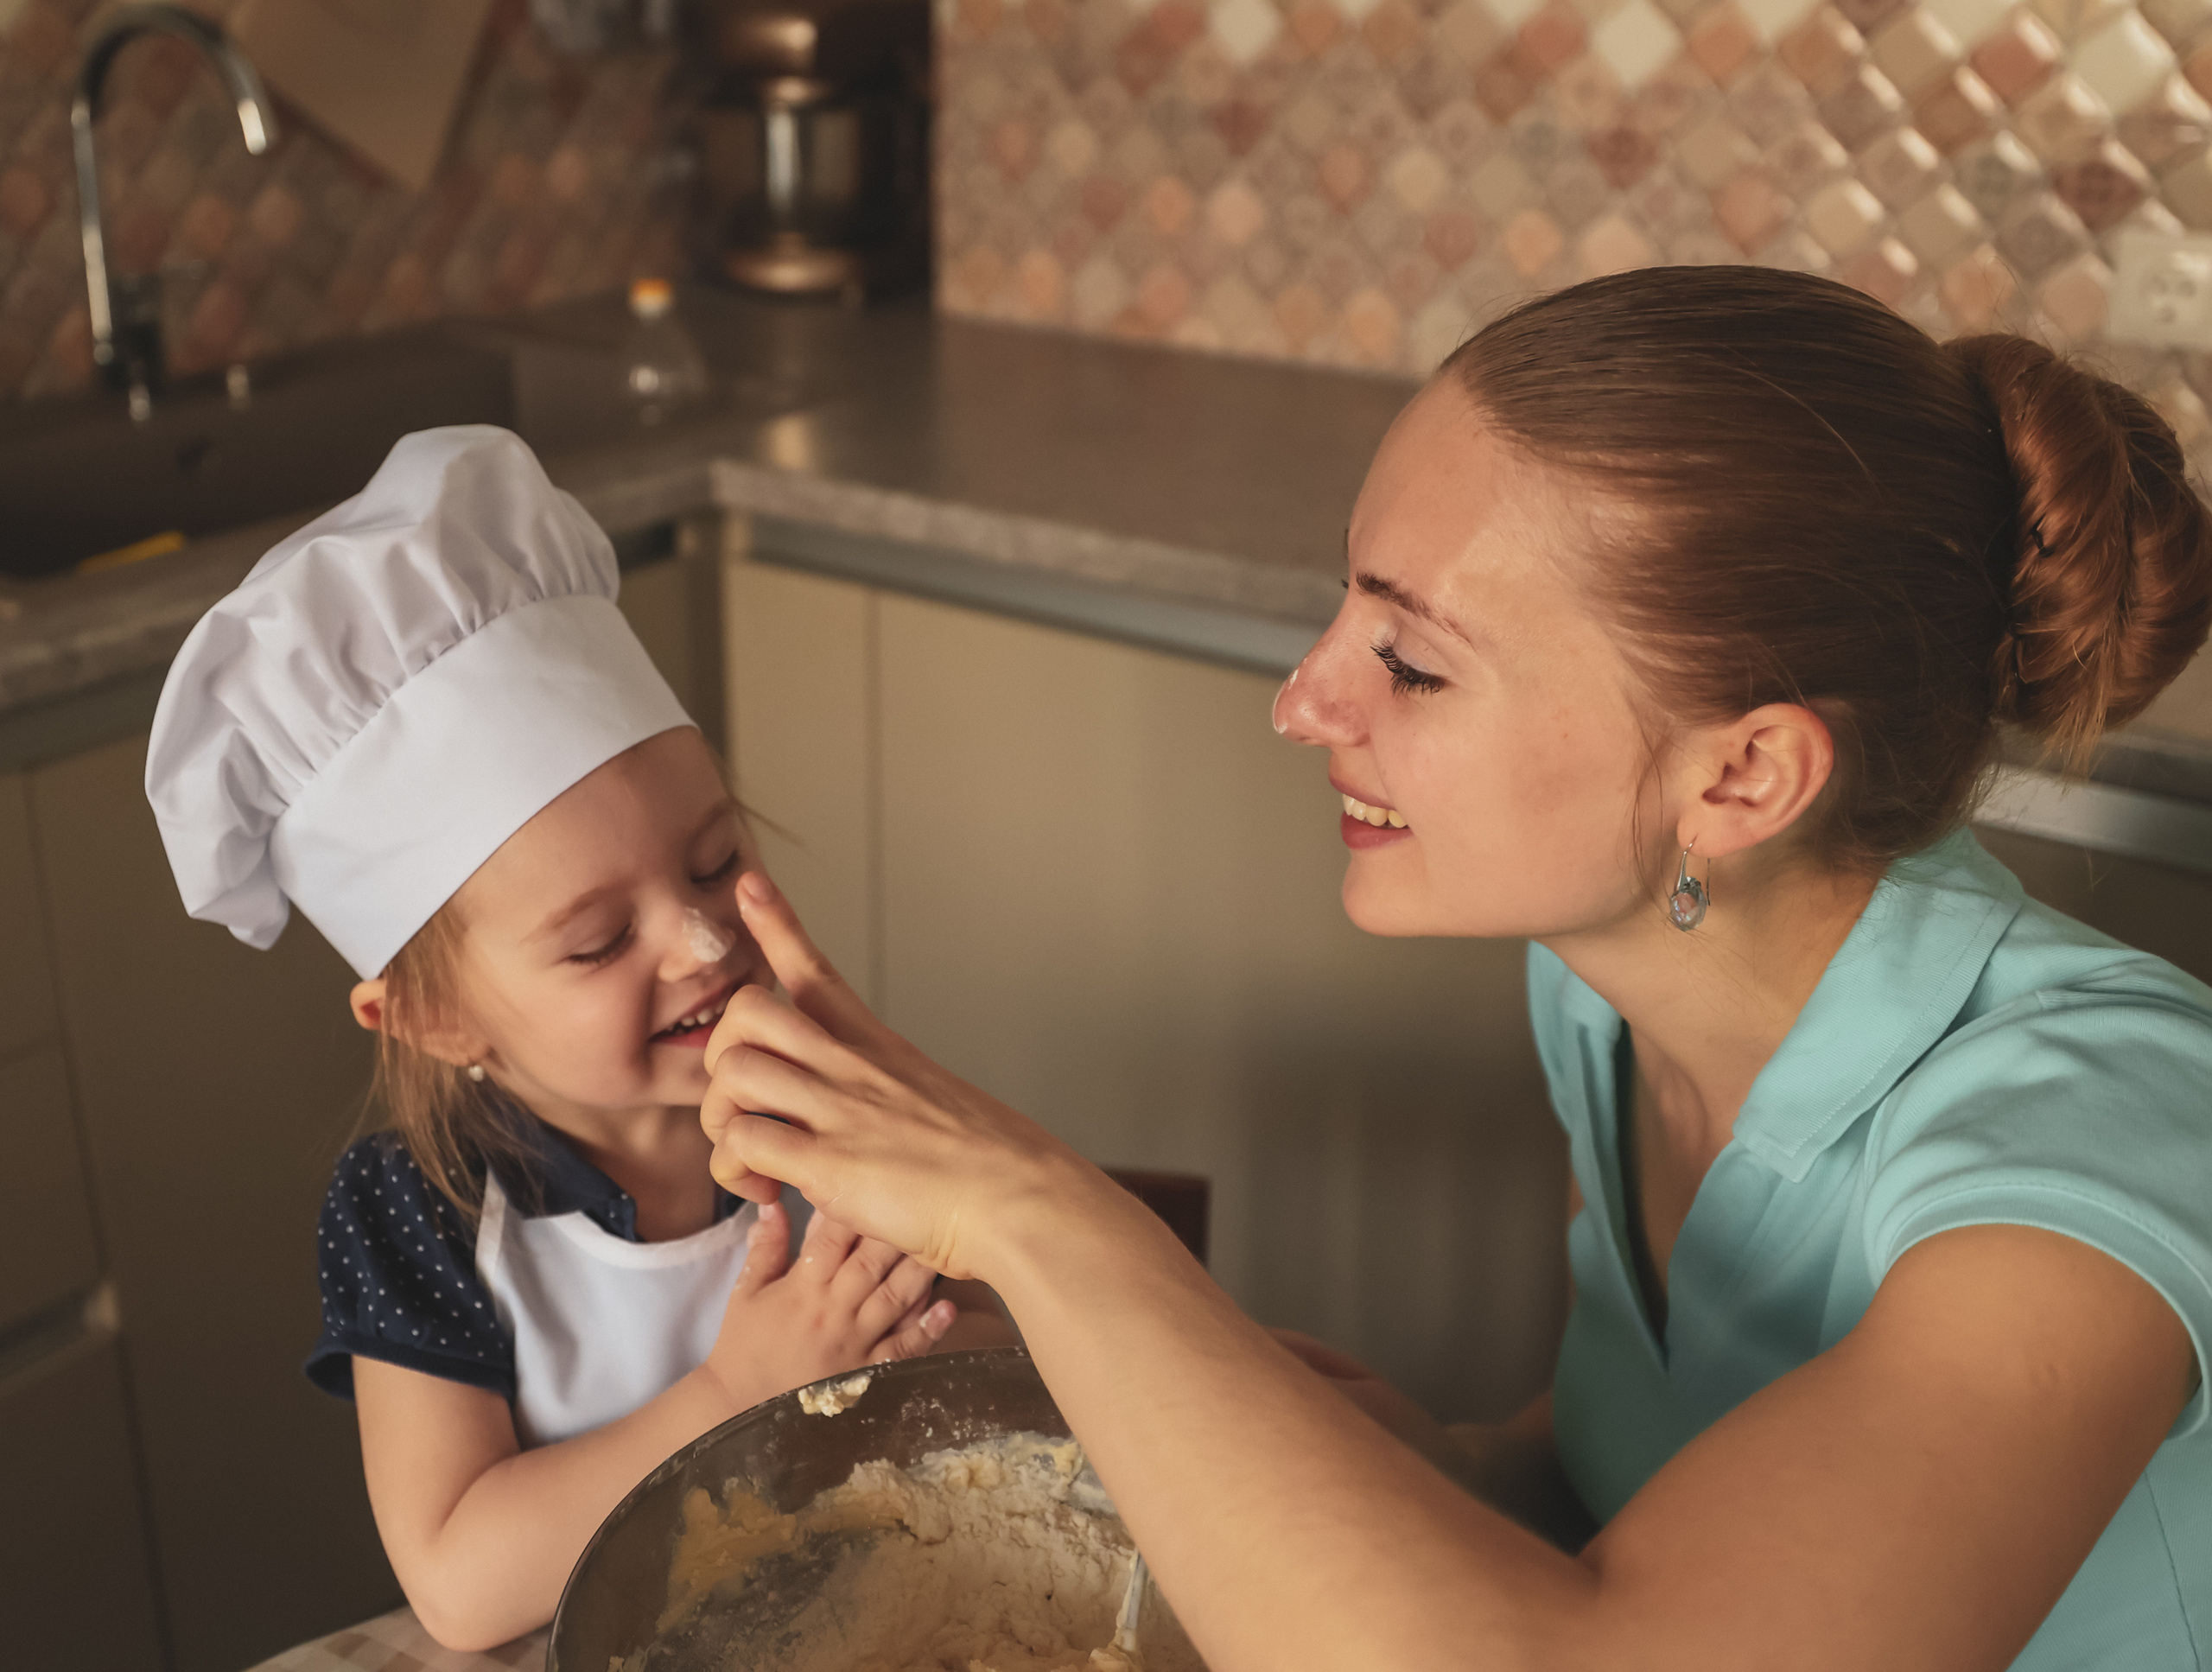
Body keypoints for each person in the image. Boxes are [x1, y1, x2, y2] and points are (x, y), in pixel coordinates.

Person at [697, 267, 2212, 1670]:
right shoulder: (1604, 991)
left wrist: (1044, 1220)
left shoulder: (2094, 1137)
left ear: (1743, 778)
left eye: (1411, 663)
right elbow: (1645, 1456)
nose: (1303, 704)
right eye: (1347, 610)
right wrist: (1449, 1464)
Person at [143, 427, 999, 1650]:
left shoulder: (820, 1089)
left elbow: (973, 1337)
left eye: (718, 861)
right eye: (599, 942)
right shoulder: (421, 1211)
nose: (706, 946)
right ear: (438, 1019)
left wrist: (944, 1323)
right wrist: (732, 1392)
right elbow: (457, 1576)